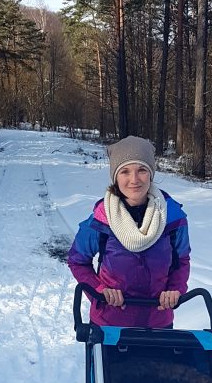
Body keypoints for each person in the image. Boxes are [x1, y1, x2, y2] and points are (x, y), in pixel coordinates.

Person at [67, 135, 190, 328]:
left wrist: (175, 289)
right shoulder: (101, 220)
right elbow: (77, 261)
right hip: (109, 325)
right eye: (125, 171)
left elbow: (181, 261)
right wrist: (100, 290)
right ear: (115, 177)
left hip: (158, 324)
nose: (134, 180)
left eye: (142, 170)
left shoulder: (173, 218)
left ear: (151, 174)